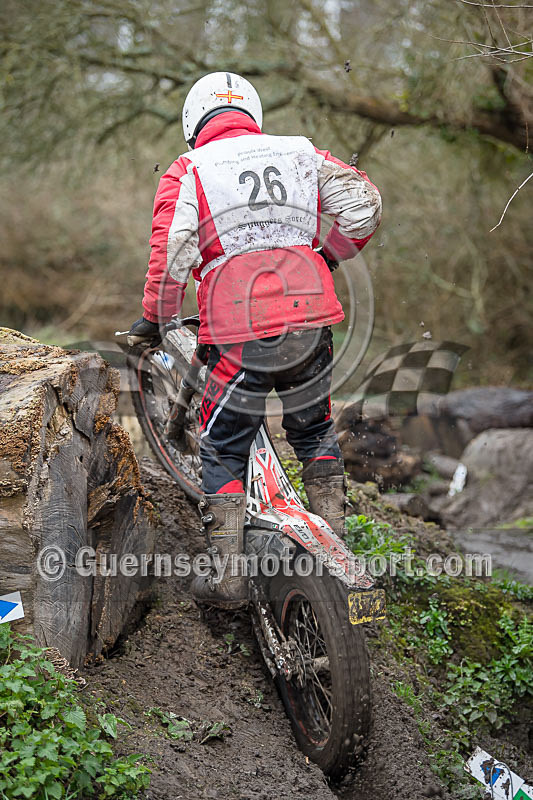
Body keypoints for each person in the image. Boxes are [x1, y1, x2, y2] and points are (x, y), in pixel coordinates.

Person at [129, 72, 382, 608]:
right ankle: (332, 550)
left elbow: (172, 251)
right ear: (254, 114)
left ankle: (229, 579)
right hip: (312, 318)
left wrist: (156, 317)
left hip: (238, 329)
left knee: (223, 446)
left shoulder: (189, 168)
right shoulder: (300, 152)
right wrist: (325, 256)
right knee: (313, 432)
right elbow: (364, 207)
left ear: (192, 123)